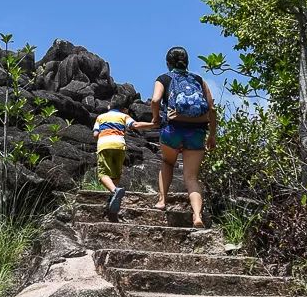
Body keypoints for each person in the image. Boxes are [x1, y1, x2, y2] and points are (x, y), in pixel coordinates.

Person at [139, 47, 217, 229]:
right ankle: (197, 216)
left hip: (172, 129)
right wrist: (212, 135)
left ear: (168, 63)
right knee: (191, 177)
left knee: (167, 163)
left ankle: (162, 201)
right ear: (187, 62)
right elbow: (212, 109)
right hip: (196, 132)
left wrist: (156, 119)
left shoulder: (163, 79)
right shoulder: (198, 80)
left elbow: (155, 100)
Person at [91, 105, 137, 219]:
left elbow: (95, 134)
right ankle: (113, 198)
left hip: (105, 145)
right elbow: (134, 125)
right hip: (119, 146)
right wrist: (153, 124)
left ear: (109, 106)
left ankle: (114, 190)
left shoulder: (100, 117)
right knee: (116, 174)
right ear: (124, 108)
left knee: (102, 174)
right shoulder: (124, 116)